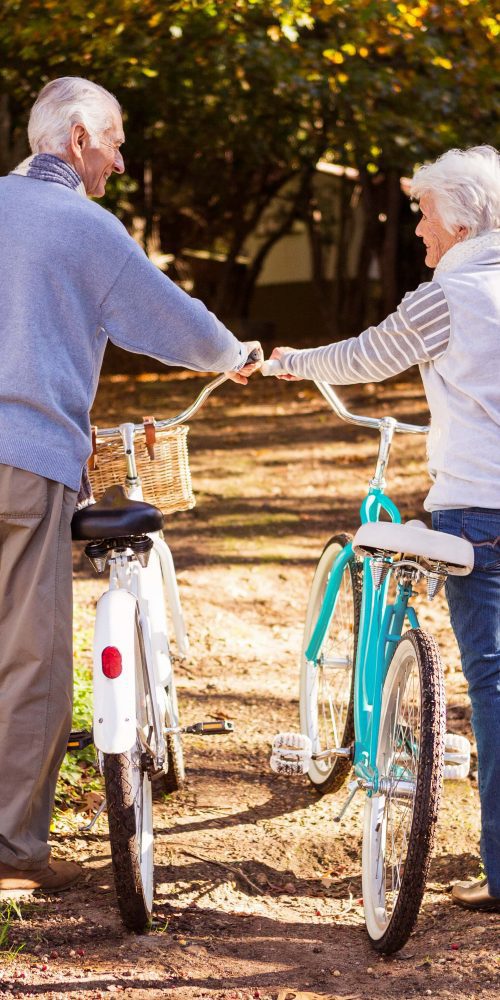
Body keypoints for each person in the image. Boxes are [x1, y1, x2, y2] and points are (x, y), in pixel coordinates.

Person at [0, 77, 261, 895]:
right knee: (30, 657)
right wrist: (233, 355)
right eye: (114, 142)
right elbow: (172, 320)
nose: (119, 160)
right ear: (77, 139)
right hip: (23, 460)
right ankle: (11, 853)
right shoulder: (84, 225)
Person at [271, 145, 500, 913]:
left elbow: (371, 355)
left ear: (460, 222)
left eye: (424, 215)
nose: (419, 229)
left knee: (494, 684)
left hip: (481, 508)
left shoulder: (451, 295)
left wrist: (292, 362)